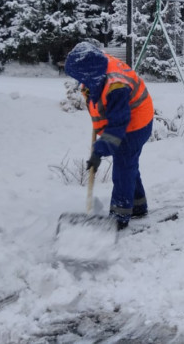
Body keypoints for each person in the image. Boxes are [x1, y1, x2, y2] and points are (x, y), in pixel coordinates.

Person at [64, 42, 154, 231]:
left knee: (123, 168)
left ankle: (120, 215)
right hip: (127, 120)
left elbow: (118, 125)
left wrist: (99, 150)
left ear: (89, 72)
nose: (79, 81)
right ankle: (137, 205)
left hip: (135, 124)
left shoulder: (116, 86)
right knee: (128, 164)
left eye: (81, 77)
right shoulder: (98, 66)